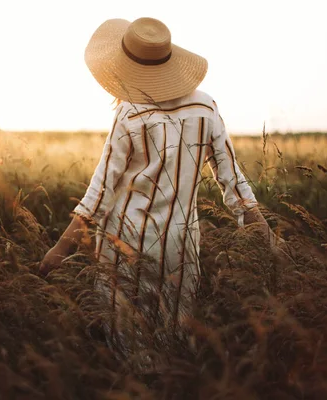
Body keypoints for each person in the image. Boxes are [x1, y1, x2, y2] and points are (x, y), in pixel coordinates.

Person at [39, 17, 280, 327]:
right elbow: (235, 186)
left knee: (126, 334)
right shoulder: (206, 108)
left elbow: (100, 193)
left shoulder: (129, 113)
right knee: (174, 336)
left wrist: (61, 248)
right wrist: (266, 238)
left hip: (126, 245)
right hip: (181, 248)